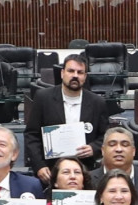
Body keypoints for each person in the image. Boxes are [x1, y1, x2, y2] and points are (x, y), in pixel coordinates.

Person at [23, 53, 106, 185]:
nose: (75, 75)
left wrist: (93, 148)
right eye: (71, 71)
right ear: (62, 73)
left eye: (80, 72)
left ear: (85, 76)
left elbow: (104, 136)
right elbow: (31, 135)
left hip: (84, 171)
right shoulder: (43, 97)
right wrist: (39, 166)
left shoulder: (97, 102)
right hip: (50, 170)